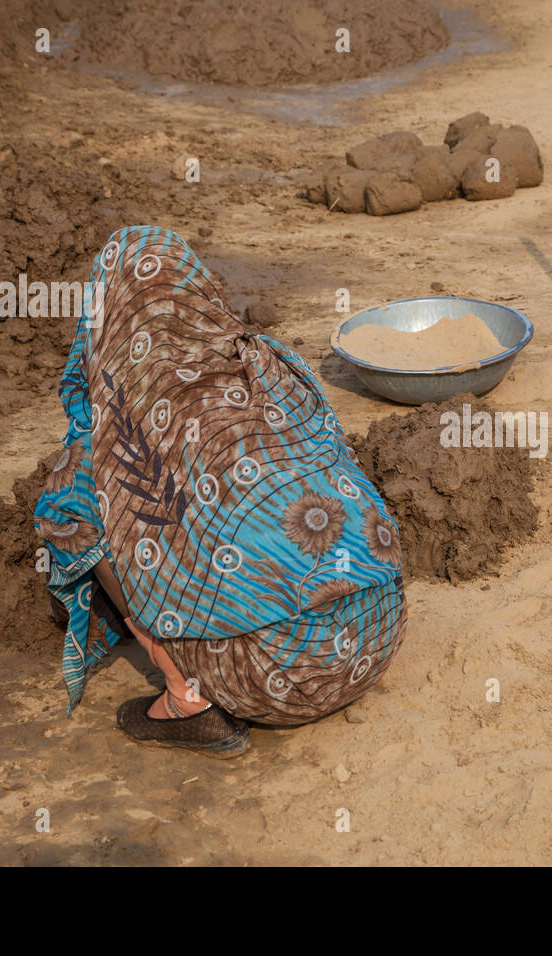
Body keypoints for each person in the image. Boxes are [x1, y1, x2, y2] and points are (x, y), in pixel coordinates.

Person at [34, 225, 407, 757]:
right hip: (377, 635)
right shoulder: (271, 363)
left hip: (273, 679)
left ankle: (188, 699)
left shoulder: (115, 426)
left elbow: (66, 522)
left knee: (73, 509)